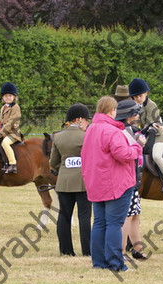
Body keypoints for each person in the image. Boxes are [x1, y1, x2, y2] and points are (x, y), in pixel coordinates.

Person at [81, 96, 142, 272]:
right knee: (114, 223)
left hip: (96, 183)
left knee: (99, 222)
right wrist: (136, 148)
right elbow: (123, 154)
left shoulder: (91, 129)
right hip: (116, 184)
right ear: (112, 111)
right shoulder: (112, 131)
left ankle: (99, 262)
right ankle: (116, 263)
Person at [50, 103, 92, 257]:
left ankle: (66, 250)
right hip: (83, 183)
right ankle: (87, 250)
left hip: (64, 182)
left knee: (64, 215)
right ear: (79, 119)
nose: (88, 123)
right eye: (87, 120)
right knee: (84, 217)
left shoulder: (58, 137)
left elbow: (53, 162)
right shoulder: (86, 136)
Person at [115, 99, 154, 261]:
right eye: (135, 113)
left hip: (134, 177)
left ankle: (137, 248)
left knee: (135, 213)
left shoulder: (130, 129)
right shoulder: (124, 131)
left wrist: (147, 131)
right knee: (128, 216)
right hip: (127, 178)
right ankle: (122, 251)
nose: (137, 115)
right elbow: (140, 149)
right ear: (128, 115)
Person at [129, 78, 163, 193]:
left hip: (158, 135)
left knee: (156, 156)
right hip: (146, 135)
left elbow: (152, 123)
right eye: (135, 97)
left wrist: (142, 130)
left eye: (140, 96)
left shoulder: (151, 105)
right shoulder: (135, 107)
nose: (138, 99)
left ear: (146, 93)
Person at [0, 82, 22, 174]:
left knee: (5, 143)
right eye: (5, 96)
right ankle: (5, 163)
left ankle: (13, 164)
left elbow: (10, 123)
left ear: (14, 97)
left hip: (13, 133)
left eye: (10, 95)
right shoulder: (3, 108)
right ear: (2, 98)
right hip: (4, 132)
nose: (8, 97)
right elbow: (0, 123)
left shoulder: (16, 107)